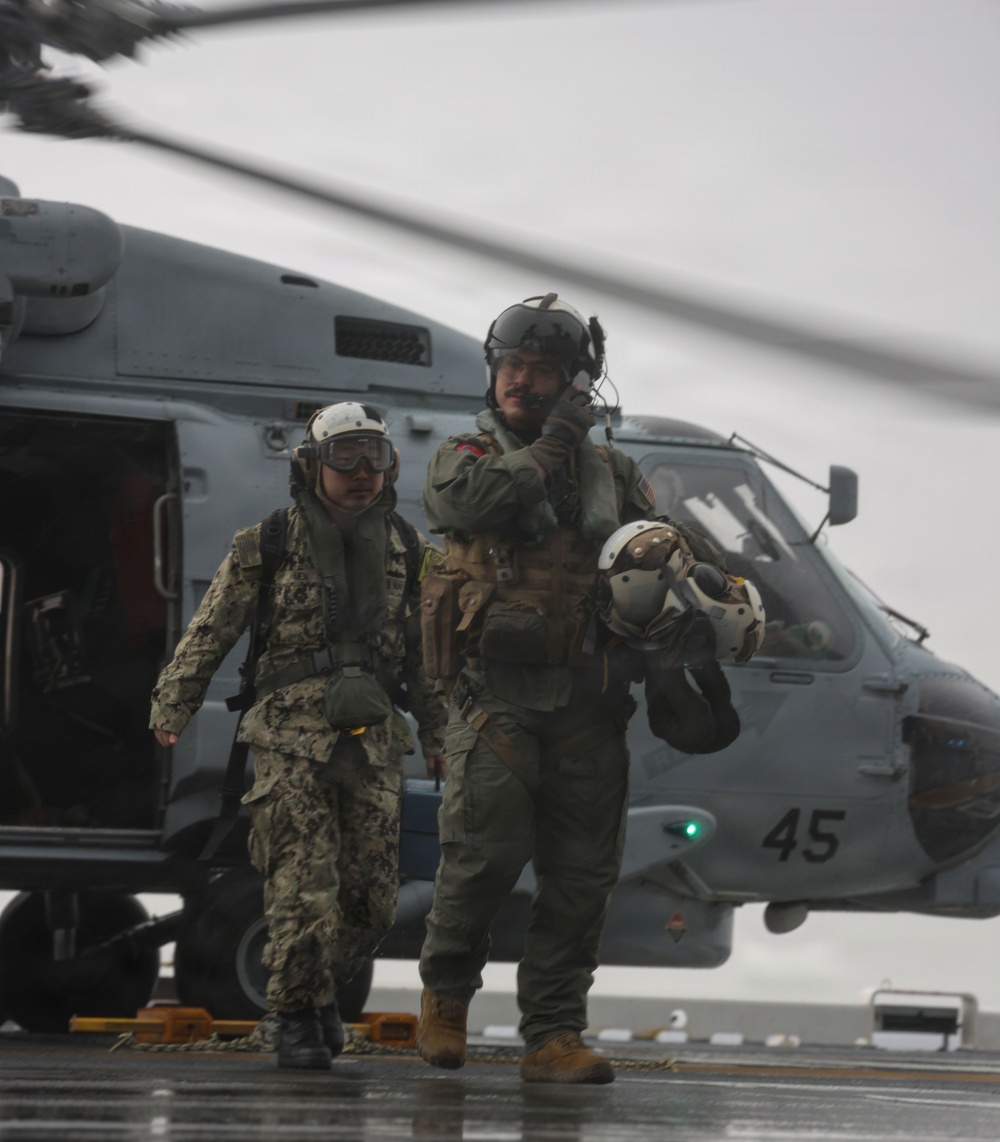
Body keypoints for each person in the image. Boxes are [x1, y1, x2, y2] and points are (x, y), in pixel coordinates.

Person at [150, 403, 448, 1070]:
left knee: (372, 902)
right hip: (289, 739)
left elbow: (425, 657)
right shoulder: (268, 543)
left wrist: (437, 733)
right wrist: (174, 702)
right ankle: (292, 1015)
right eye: (345, 456)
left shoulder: (408, 550)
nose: (362, 471)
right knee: (303, 887)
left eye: (375, 456)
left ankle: (315, 995)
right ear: (312, 465)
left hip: (372, 742)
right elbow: (211, 629)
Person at [415, 293, 659, 1085]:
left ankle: (553, 1032)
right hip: (496, 696)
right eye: (511, 366)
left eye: (542, 369)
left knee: (582, 875)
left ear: (575, 382)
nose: (521, 380)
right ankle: (446, 998)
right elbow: (461, 503)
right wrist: (551, 446)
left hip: (589, 701)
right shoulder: (465, 455)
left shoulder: (614, 474)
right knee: (482, 857)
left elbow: (658, 551)